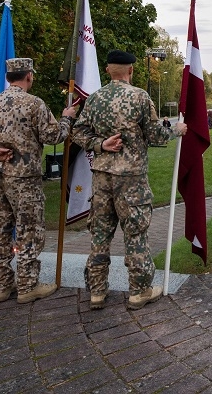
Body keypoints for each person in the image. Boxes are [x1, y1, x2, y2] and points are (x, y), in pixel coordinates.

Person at [70, 50, 187, 311]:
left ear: (108, 70)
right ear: (131, 70)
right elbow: (156, 136)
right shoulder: (140, 97)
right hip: (131, 180)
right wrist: (177, 130)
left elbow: (77, 131)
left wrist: (99, 144)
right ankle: (139, 290)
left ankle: (97, 292)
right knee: (135, 235)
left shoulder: (95, 98)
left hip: (101, 179)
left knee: (100, 234)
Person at [0, 58, 77, 304]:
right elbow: (53, 136)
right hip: (25, 178)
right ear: (29, 76)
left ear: (9, 77)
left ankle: (2, 286)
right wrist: (67, 117)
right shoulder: (34, 103)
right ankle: (27, 286)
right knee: (29, 231)